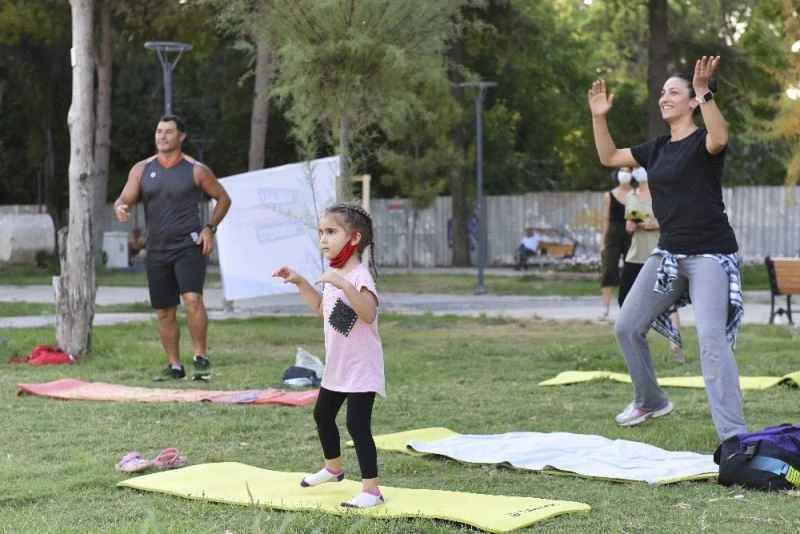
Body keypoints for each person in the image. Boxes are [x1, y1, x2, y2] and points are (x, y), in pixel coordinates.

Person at [587, 55, 746, 441]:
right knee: (626, 326)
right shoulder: (656, 149)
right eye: (662, 92)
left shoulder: (703, 142)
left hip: (709, 253)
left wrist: (705, 90)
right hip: (669, 255)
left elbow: (720, 136)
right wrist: (598, 116)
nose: (664, 98)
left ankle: (734, 436)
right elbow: (609, 157)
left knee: (710, 338)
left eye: (673, 92)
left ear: (692, 102)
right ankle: (652, 399)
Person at [273, 202, 386, 509]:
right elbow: (323, 309)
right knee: (322, 415)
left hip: (361, 368)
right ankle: (334, 468)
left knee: (357, 426)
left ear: (354, 238)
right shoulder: (335, 273)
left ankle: (372, 491)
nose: (323, 239)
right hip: (338, 368)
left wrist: (343, 284)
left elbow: (368, 312)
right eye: (321, 232)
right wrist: (300, 281)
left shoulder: (359, 276)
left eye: (331, 232)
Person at [114, 115, 231, 382]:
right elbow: (124, 198)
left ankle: (200, 359)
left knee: (192, 300)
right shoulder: (142, 169)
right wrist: (121, 207)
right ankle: (174, 366)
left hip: (189, 246)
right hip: (156, 249)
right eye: (158, 131)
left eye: (168, 131)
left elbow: (223, 198)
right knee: (164, 310)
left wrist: (209, 227)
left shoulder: (195, 169)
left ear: (181, 137)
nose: (162, 136)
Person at [618, 167, 685, 363]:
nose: (637, 171)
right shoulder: (630, 196)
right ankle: (636, 345)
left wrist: (654, 224)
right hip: (635, 256)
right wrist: (630, 227)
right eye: (635, 168)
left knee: (668, 303)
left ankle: (675, 347)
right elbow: (627, 225)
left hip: (658, 254)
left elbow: (675, 222)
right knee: (625, 301)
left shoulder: (661, 193)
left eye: (641, 167)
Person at [599, 167, 633, 320]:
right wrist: (603, 241)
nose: (624, 174)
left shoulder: (635, 194)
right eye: (622, 170)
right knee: (608, 269)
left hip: (631, 234)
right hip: (613, 234)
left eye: (628, 171)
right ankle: (605, 309)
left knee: (631, 271)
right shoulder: (609, 195)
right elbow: (606, 219)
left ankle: (628, 309)